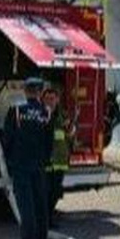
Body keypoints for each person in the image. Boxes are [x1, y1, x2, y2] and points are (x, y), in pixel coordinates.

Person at [2, 77, 52, 239]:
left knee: (26, 203)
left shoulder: (16, 111)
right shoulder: (46, 112)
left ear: (25, 91)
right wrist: (45, 160)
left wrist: (9, 160)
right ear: (39, 92)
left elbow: (7, 138)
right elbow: (49, 141)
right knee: (40, 201)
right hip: (39, 164)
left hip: (21, 164)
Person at [43, 86, 71, 226]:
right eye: (47, 99)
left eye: (52, 99)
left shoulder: (63, 116)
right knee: (44, 191)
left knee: (55, 192)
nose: (50, 101)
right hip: (45, 161)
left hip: (60, 160)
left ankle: (49, 217)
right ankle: (44, 219)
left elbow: (70, 135)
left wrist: (71, 128)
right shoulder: (40, 115)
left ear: (58, 100)